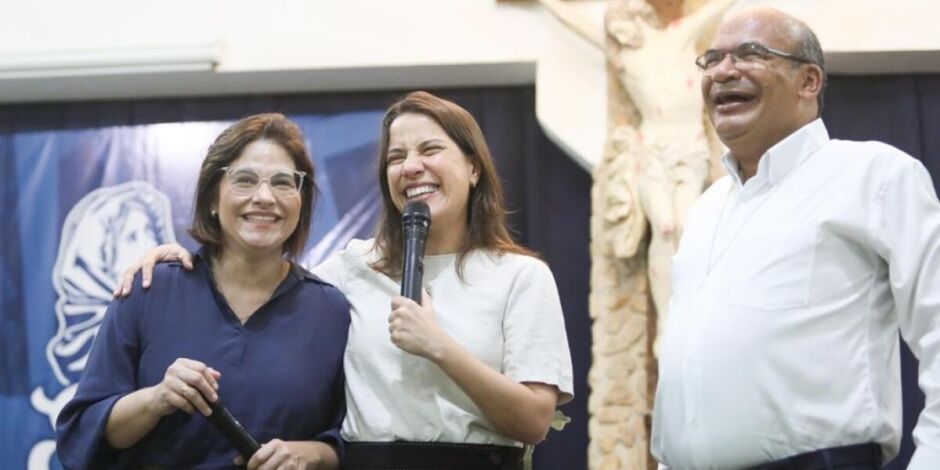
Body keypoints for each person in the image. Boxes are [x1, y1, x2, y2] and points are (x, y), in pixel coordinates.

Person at [114, 91, 575, 470]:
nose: (411, 166)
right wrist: (180, 257)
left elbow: (534, 420)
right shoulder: (352, 268)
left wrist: (439, 346)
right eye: (397, 156)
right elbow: (263, 276)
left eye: (430, 150)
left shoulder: (520, 277)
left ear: (474, 168)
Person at [651, 6, 940, 470]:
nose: (724, 71)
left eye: (749, 53)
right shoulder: (705, 208)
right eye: (712, 59)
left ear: (809, 81)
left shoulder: (875, 176)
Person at [56, 113, 349, 470]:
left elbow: (347, 440)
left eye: (283, 182)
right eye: (245, 180)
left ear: (301, 202)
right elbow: (84, 430)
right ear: (213, 197)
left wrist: (312, 454)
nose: (264, 197)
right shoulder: (149, 289)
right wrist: (156, 400)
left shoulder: (330, 310)